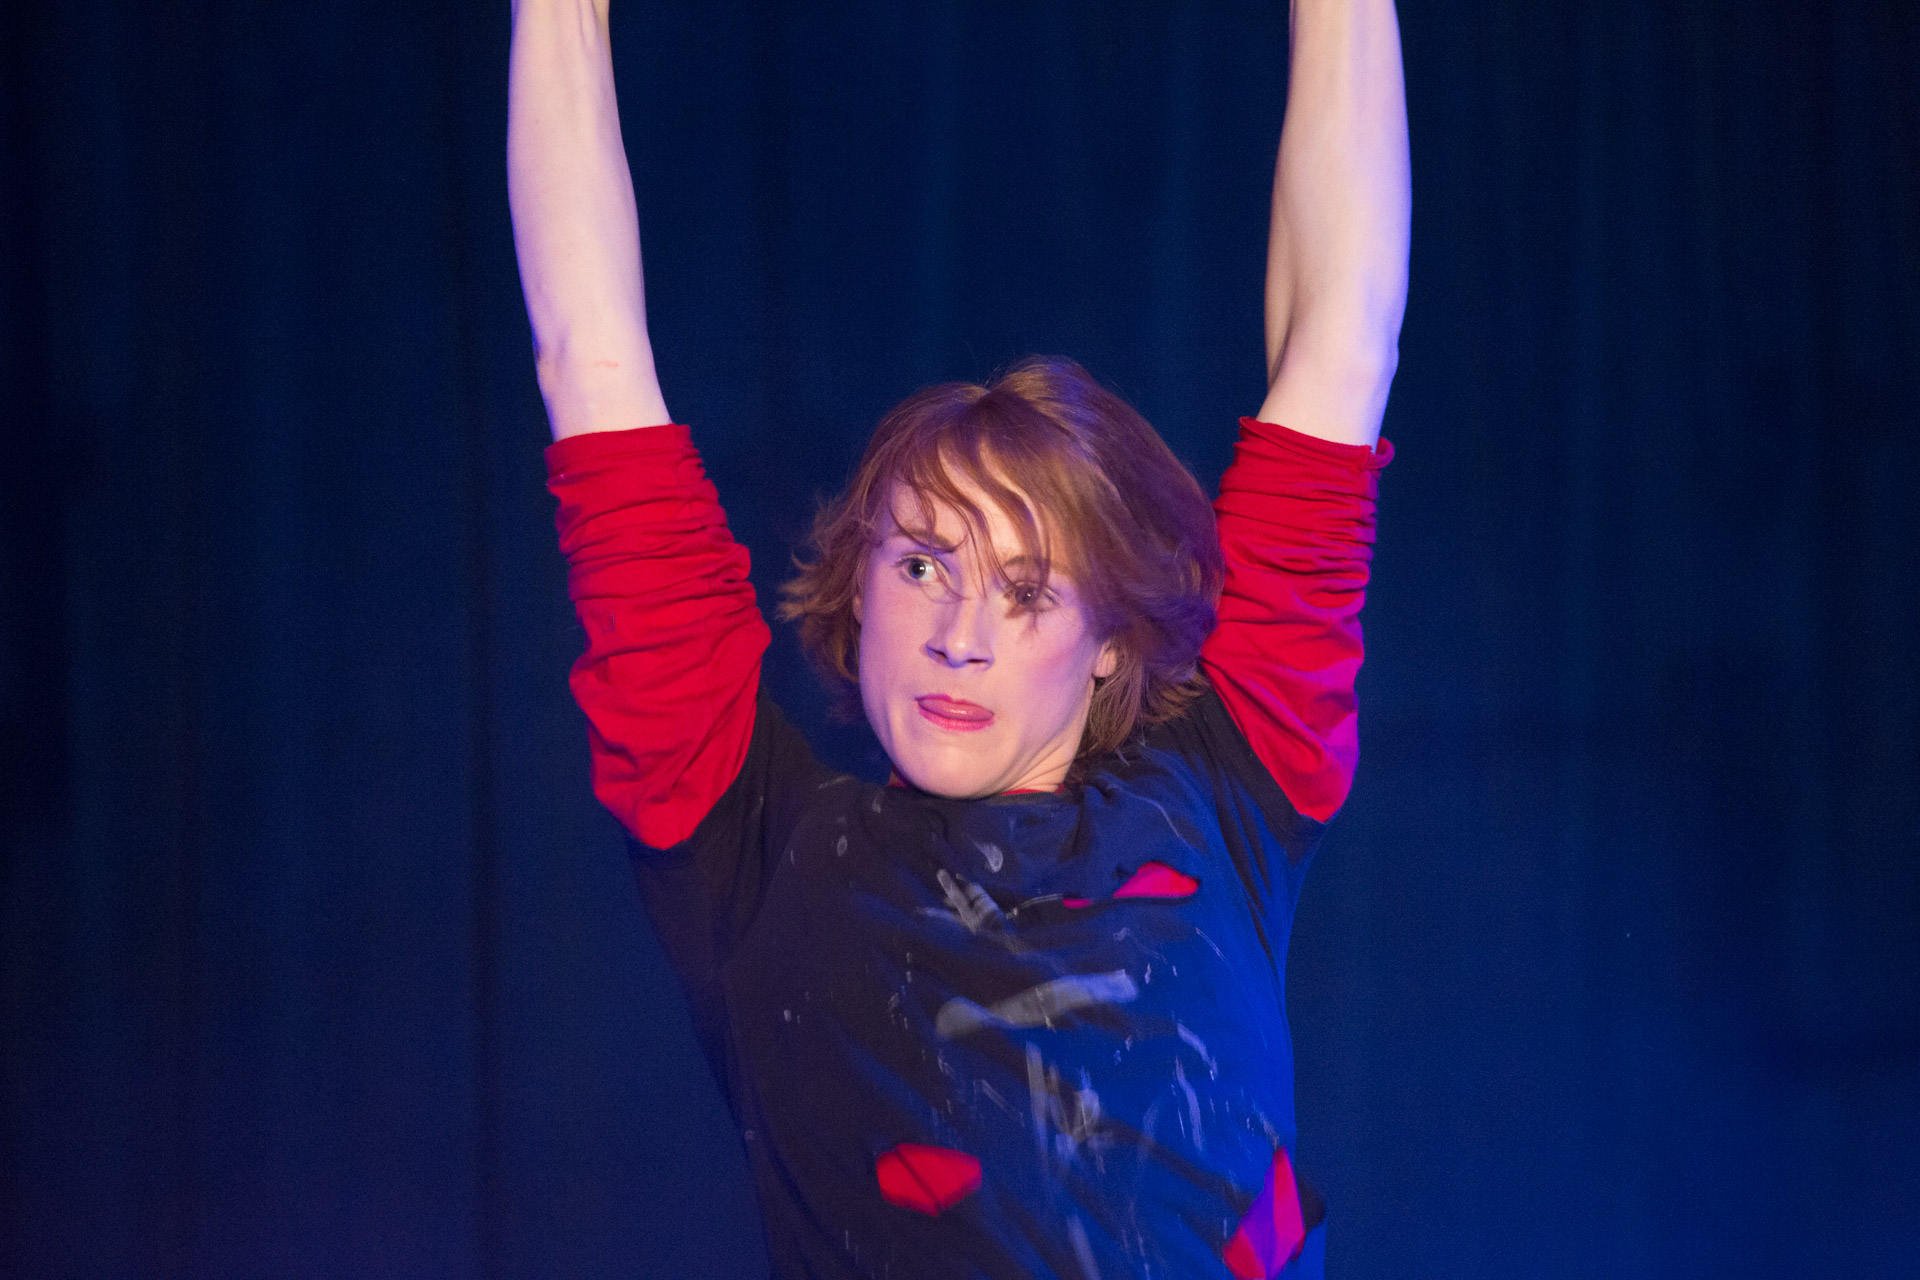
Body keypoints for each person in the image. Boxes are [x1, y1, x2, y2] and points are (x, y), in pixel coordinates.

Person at [507, 0, 1408, 1274]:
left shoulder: (1229, 787)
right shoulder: (748, 841)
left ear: (1109, 640)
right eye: (923, 564)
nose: (959, 635)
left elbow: (1344, 339)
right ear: (860, 583)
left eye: (1027, 591)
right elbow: (586, 363)